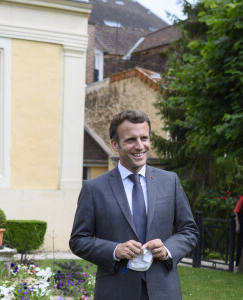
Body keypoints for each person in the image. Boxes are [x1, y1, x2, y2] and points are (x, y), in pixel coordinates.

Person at [69, 109, 199, 300]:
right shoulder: (93, 188)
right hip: (115, 292)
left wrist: (168, 250)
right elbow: (79, 240)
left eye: (144, 138)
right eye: (131, 140)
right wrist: (115, 250)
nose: (140, 146)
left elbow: (189, 230)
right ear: (115, 144)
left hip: (163, 291)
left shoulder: (170, 181)